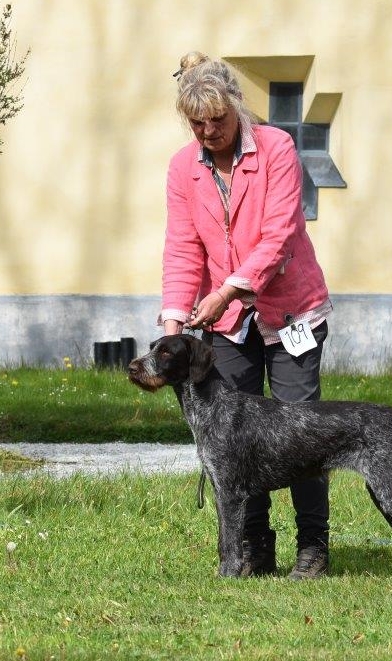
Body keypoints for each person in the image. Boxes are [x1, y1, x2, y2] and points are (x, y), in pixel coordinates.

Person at [160, 52, 333, 579]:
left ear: (237, 107)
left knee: (302, 430)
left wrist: (228, 290)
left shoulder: (278, 148)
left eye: (218, 120)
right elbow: (183, 248)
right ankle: (253, 546)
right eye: (197, 123)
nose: (208, 131)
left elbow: (280, 234)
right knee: (236, 437)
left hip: (292, 310)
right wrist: (172, 323)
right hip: (225, 327)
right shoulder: (181, 168)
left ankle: (313, 546)